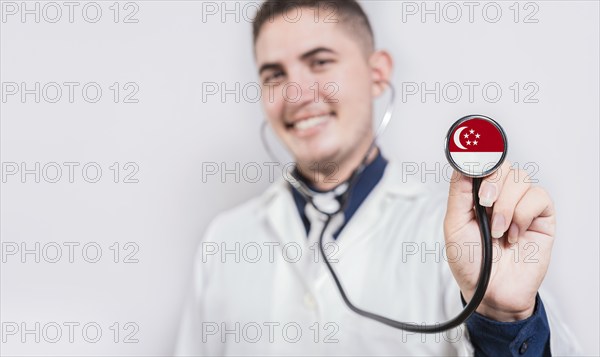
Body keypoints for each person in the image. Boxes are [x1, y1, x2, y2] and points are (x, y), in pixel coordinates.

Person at [175, 1, 579, 355]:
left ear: (377, 73)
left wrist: (504, 319)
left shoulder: (471, 234)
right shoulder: (225, 239)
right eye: (274, 75)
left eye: (319, 62)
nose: (296, 94)